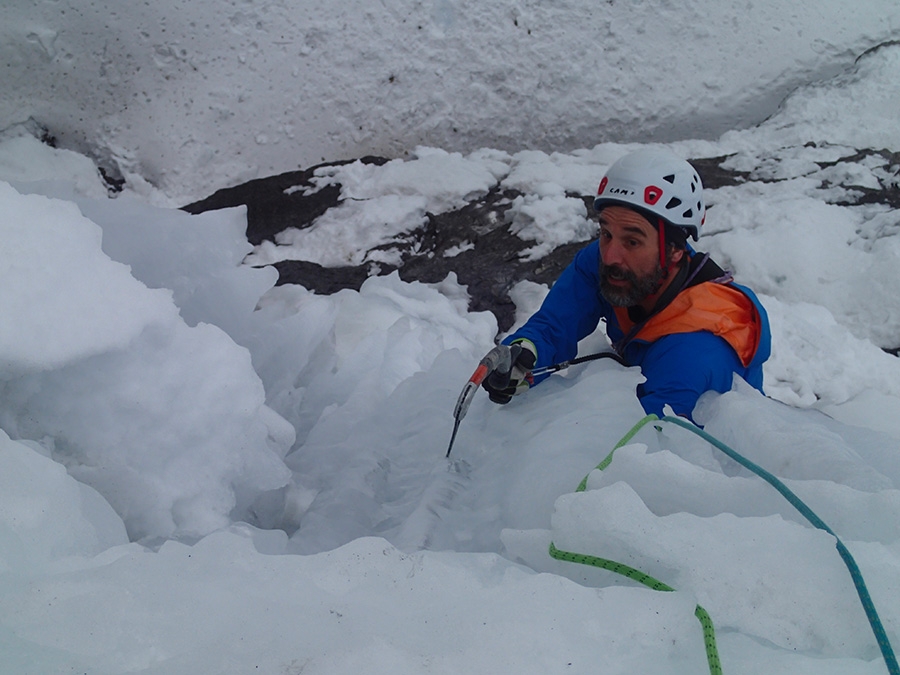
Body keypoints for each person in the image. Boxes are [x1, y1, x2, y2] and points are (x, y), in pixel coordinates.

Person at [481, 148, 771, 422]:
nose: (610, 256)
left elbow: (646, 449)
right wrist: (525, 351)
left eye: (632, 241)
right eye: (606, 233)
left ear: (675, 250)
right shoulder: (617, 267)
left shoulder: (691, 357)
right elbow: (555, 325)